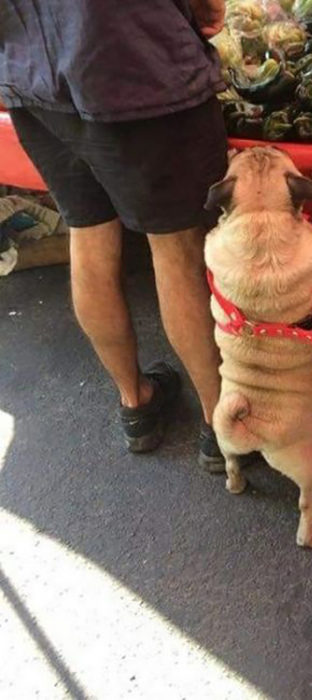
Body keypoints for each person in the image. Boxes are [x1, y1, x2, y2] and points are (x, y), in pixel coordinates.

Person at [0, 1, 230, 471]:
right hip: (132, 65)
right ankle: (221, 423)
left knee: (87, 230)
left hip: (30, 73)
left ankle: (136, 403)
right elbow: (208, 9)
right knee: (175, 246)